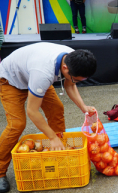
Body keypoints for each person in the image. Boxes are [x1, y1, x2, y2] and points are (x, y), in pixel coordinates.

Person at [0, 42, 97, 193]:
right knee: (17, 124)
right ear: (65, 68)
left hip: (32, 74)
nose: (76, 82)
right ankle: (0, 172)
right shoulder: (43, 73)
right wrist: (51, 136)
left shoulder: (72, 56)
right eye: (76, 79)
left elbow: (70, 85)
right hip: (11, 80)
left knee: (56, 109)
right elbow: (32, 111)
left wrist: (83, 107)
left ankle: (58, 153)